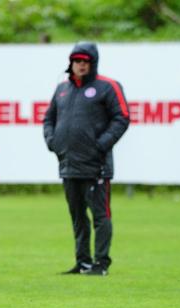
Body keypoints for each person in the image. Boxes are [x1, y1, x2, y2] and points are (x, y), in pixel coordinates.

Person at [43, 42, 129, 276]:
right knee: (78, 217)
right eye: (77, 61)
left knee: (101, 216)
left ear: (93, 63)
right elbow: (48, 118)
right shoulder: (62, 88)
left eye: (85, 61)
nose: (80, 65)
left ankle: (101, 263)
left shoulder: (108, 87)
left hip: (96, 166)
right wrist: (53, 142)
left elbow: (122, 118)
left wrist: (100, 145)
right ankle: (83, 262)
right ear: (71, 62)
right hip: (68, 164)